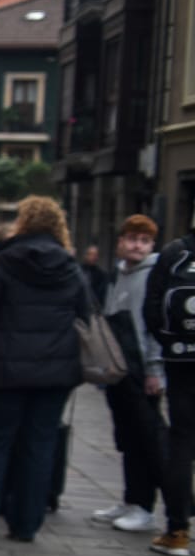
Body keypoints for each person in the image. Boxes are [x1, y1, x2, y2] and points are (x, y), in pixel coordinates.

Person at [0, 196, 93, 542]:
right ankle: (25, 523)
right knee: (40, 445)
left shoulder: (4, 264)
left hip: (3, 370)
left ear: (23, 223)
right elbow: (87, 319)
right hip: (55, 374)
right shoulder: (72, 268)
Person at [92, 215, 168, 534]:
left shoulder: (154, 275)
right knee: (126, 438)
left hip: (141, 370)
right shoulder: (118, 275)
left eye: (144, 240)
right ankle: (130, 499)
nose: (137, 245)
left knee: (146, 439)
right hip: (119, 370)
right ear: (121, 241)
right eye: (132, 238)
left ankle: (144, 507)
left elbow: (155, 326)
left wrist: (154, 370)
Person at [143, 222, 195, 556]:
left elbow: (152, 308)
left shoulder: (175, 252)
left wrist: (170, 345)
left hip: (181, 361)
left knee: (182, 441)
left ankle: (177, 531)